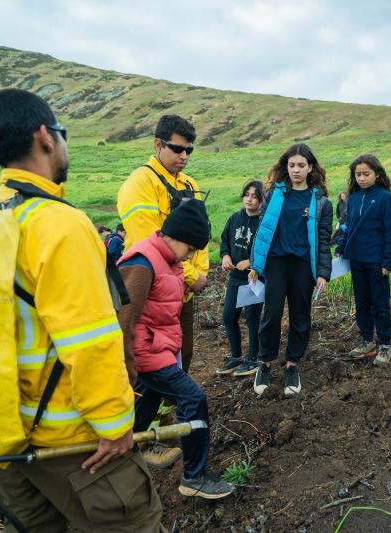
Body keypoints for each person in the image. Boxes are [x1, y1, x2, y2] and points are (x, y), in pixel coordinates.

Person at [0, 89, 163, 531]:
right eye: (63, 133)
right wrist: (116, 425)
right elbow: (89, 340)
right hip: (74, 445)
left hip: (2, 444)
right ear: (45, 137)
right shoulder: (58, 224)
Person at [117, 199, 234, 499]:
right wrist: (127, 370)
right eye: (191, 247)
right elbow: (124, 322)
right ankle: (194, 477)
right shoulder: (142, 264)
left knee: (150, 396)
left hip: (158, 347)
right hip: (146, 352)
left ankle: (129, 452)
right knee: (194, 400)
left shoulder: (169, 261)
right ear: (175, 236)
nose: (192, 255)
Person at [117, 114, 209, 376]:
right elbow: (149, 239)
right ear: (158, 144)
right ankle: (148, 416)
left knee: (183, 353)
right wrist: (191, 276)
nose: (184, 156)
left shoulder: (191, 185)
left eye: (189, 150)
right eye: (178, 148)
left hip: (181, 292)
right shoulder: (140, 183)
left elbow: (200, 236)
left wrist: (200, 273)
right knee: (148, 357)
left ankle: (170, 414)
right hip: (150, 287)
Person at [250, 143, 332, 397]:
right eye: (292, 165)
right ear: (286, 167)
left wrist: (323, 272)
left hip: (302, 266)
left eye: (301, 166)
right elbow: (262, 232)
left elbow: (323, 240)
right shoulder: (273, 194)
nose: (296, 170)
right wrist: (256, 264)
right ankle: (264, 363)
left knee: (300, 316)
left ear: (310, 168)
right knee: (271, 314)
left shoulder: (320, 202)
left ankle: (292, 365)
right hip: (275, 262)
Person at [335, 154, 391, 365]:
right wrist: (342, 248)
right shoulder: (352, 199)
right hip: (356, 260)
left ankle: (385, 344)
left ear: (377, 174)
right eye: (358, 174)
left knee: (380, 303)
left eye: (366, 174)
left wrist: (387, 261)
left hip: (376, 261)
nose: (362, 178)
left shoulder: (384, 198)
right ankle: (366, 339)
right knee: (362, 301)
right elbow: (348, 227)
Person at [217, 180, 263, 377]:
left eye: (254, 196)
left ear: (262, 200)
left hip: (254, 278)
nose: (249, 199)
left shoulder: (263, 222)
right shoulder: (235, 218)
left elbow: (267, 249)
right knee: (228, 316)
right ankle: (236, 356)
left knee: (252, 317)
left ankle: (253, 358)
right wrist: (226, 256)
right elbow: (225, 240)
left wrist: (251, 261)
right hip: (236, 277)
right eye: (247, 194)